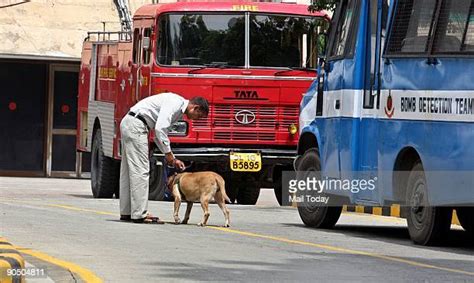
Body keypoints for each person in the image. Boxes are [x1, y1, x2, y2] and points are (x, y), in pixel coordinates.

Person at [119, 93, 209, 223]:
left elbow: (158, 135)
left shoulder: (177, 109)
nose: (195, 119)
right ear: (195, 108)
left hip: (130, 122)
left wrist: (171, 157)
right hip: (137, 126)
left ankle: (127, 212)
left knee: (128, 171)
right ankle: (140, 214)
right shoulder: (175, 103)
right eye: (198, 116)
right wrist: (168, 155)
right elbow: (160, 129)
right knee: (141, 171)